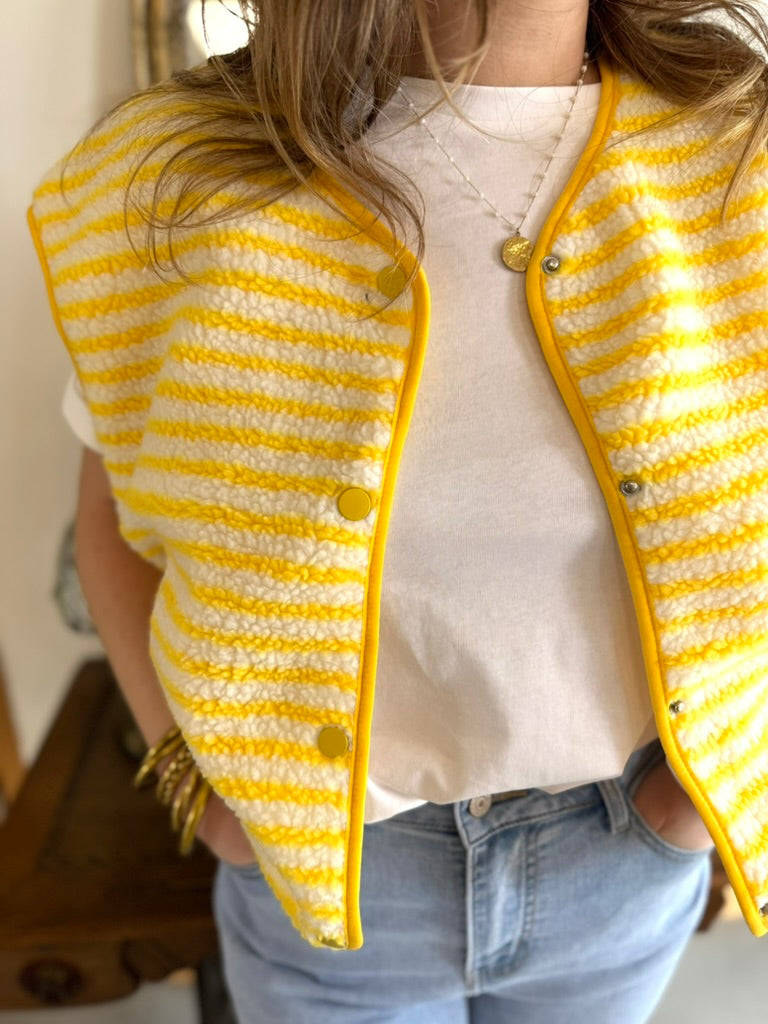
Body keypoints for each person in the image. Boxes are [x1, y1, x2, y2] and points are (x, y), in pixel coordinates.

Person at [28, 0, 768, 1020]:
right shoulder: (169, 175)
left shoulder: (737, 153)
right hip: (324, 876)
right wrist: (208, 800)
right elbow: (114, 513)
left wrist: (685, 810)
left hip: (623, 861)